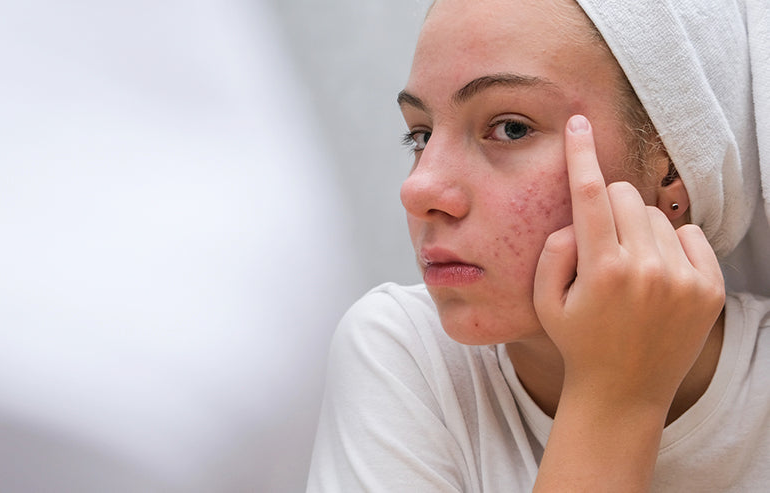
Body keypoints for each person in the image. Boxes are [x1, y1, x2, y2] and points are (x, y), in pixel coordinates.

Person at [307, 0, 770, 490]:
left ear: (672, 168)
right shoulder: (405, 355)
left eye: (511, 128)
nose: (418, 189)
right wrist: (615, 400)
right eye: (420, 136)